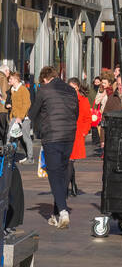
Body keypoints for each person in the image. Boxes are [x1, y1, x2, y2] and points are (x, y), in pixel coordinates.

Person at [29, 66, 79, 230]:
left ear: (44, 79)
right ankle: (56, 212)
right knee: (63, 172)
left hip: (52, 136)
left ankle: (63, 211)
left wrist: (37, 129)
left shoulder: (44, 90)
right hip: (69, 136)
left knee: (54, 174)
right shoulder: (71, 90)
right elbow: (75, 113)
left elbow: (33, 112)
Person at [66, 78, 92, 198]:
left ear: (77, 88)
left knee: (70, 161)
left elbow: (87, 118)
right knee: (68, 162)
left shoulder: (83, 100)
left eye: (74, 88)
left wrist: (84, 132)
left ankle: (66, 187)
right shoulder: (64, 99)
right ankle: (73, 184)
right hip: (65, 133)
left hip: (77, 134)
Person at [6, 72, 33, 161]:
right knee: (9, 137)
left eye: (11, 79)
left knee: (26, 138)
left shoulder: (23, 90)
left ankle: (30, 158)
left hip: (23, 119)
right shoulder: (12, 89)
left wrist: (20, 117)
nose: (9, 80)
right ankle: (8, 157)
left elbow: (27, 104)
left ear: (16, 80)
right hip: (14, 118)